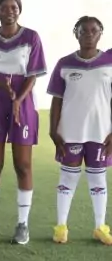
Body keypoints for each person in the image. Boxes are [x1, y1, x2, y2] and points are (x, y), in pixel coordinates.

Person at [0, 0, 46, 245]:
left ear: (20, 9)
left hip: (23, 101)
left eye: (14, 6)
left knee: (23, 165)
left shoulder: (31, 37)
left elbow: (33, 75)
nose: (9, 11)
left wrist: (17, 98)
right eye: (4, 7)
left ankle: (22, 225)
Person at [47, 16, 112, 245]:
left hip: (101, 132)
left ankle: (100, 227)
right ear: (76, 33)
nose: (89, 34)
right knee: (67, 178)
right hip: (70, 132)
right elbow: (56, 100)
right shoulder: (64, 63)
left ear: (101, 33)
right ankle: (61, 226)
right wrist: (53, 131)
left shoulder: (110, 60)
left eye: (94, 30)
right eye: (83, 30)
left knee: (98, 179)